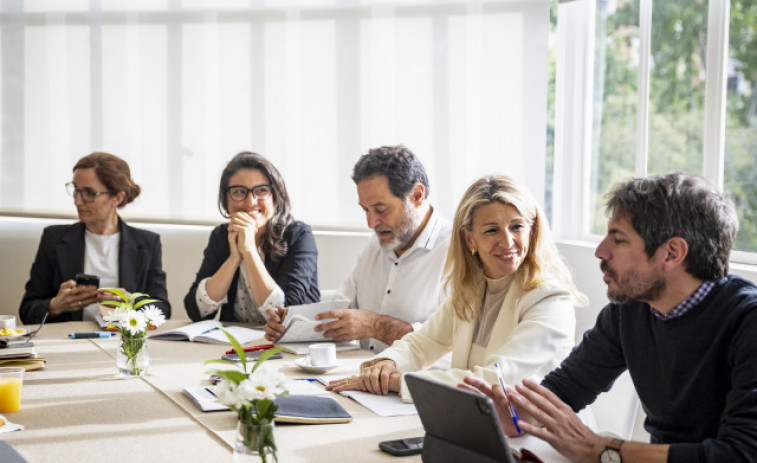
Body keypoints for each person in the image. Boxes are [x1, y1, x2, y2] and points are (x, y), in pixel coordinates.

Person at [466, 172, 757, 463]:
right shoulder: (631, 310)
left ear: (672, 253)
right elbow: (567, 388)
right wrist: (516, 414)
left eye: (618, 240)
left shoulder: (747, 322)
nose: (600, 251)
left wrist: (601, 450)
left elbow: (740, 455)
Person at [328, 175, 585, 401]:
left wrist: (397, 382)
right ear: (469, 238)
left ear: (532, 230)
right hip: (477, 429)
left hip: (538, 443)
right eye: (492, 230)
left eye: (517, 226)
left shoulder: (550, 299)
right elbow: (423, 342)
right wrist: (387, 362)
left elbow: (495, 383)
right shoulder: (473, 289)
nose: (507, 241)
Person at [263, 145, 452, 352]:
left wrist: (376, 326)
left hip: (411, 381)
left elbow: (451, 345)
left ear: (416, 195)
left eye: (381, 209)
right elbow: (341, 308)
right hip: (359, 372)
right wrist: (289, 322)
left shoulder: (456, 251)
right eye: (365, 210)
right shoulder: (378, 243)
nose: (371, 223)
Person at [19, 152, 170, 324]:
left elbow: (163, 311)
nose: (77, 201)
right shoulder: (53, 239)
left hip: (122, 342)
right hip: (69, 341)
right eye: (76, 190)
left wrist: (132, 302)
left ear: (117, 197)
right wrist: (54, 306)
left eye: (89, 193)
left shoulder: (147, 243)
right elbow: (27, 310)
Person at [185, 152, 319, 324]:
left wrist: (249, 251)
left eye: (261, 190)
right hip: (235, 345)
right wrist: (234, 258)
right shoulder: (221, 236)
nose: (250, 202)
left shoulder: (299, 235)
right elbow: (196, 311)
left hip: (289, 345)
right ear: (226, 201)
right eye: (239, 192)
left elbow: (285, 314)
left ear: (275, 197)